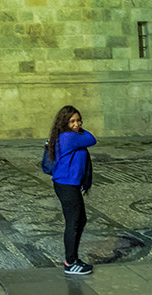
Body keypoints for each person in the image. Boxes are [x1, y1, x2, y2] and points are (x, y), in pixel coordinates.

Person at [45, 104, 96, 275]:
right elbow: (92, 138)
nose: (77, 124)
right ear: (64, 123)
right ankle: (70, 262)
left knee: (80, 220)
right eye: (72, 121)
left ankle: (73, 259)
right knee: (74, 222)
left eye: (79, 120)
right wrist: (79, 130)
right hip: (66, 184)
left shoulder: (65, 136)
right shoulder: (69, 138)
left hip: (68, 183)